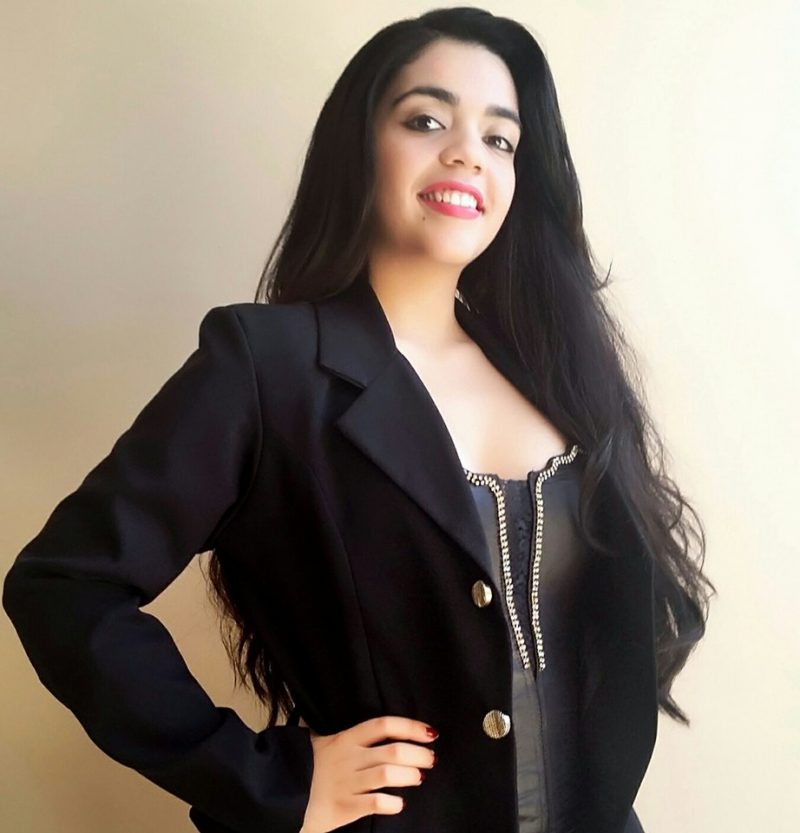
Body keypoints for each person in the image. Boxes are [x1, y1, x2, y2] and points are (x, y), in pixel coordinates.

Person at [3, 7, 715, 833]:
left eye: (500, 139)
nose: (466, 153)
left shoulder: (560, 374)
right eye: (427, 120)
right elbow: (65, 585)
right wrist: (268, 779)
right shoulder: (266, 367)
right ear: (359, 145)